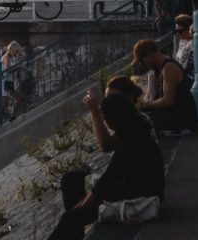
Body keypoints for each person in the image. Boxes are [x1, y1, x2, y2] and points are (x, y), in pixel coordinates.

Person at [46, 93, 165, 240]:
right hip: (131, 187)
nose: (103, 119)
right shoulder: (134, 128)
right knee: (71, 180)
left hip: (136, 200)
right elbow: (111, 168)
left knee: (70, 217)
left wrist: (82, 205)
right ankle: (76, 230)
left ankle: (75, 224)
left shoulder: (131, 142)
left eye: (104, 116)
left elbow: (108, 179)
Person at [133, 37, 197, 134]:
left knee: (138, 125)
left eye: (142, 61)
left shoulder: (168, 68)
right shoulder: (159, 68)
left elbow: (168, 101)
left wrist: (144, 104)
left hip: (181, 120)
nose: (143, 65)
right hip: (172, 116)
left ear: (149, 55)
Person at [1, 41, 23, 120]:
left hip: (8, 82)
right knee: (5, 103)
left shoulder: (10, 57)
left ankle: (12, 116)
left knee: (19, 98)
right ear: (13, 49)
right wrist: (17, 68)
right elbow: (7, 70)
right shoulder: (6, 57)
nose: (17, 53)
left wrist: (18, 71)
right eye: (17, 51)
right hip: (3, 82)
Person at [174, 15, 194, 80]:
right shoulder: (182, 41)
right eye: (176, 31)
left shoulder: (193, 44)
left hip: (187, 76)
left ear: (189, 29)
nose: (178, 34)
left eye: (180, 31)